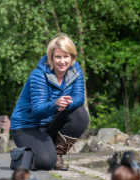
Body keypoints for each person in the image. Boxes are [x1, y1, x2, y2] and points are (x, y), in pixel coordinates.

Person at [10, 33, 90, 171]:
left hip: (49, 123)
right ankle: (21, 157)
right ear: (51, 57)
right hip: (27, 126)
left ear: (72, 57)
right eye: (58, 57)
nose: (62, 61)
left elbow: (79, 98)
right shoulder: (38, 75)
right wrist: (56, 103)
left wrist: (67, 103)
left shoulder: (75, 70)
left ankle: (57, 154)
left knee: (81, 114)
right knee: (46, 163)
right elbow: (37, 111)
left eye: (66, 56)